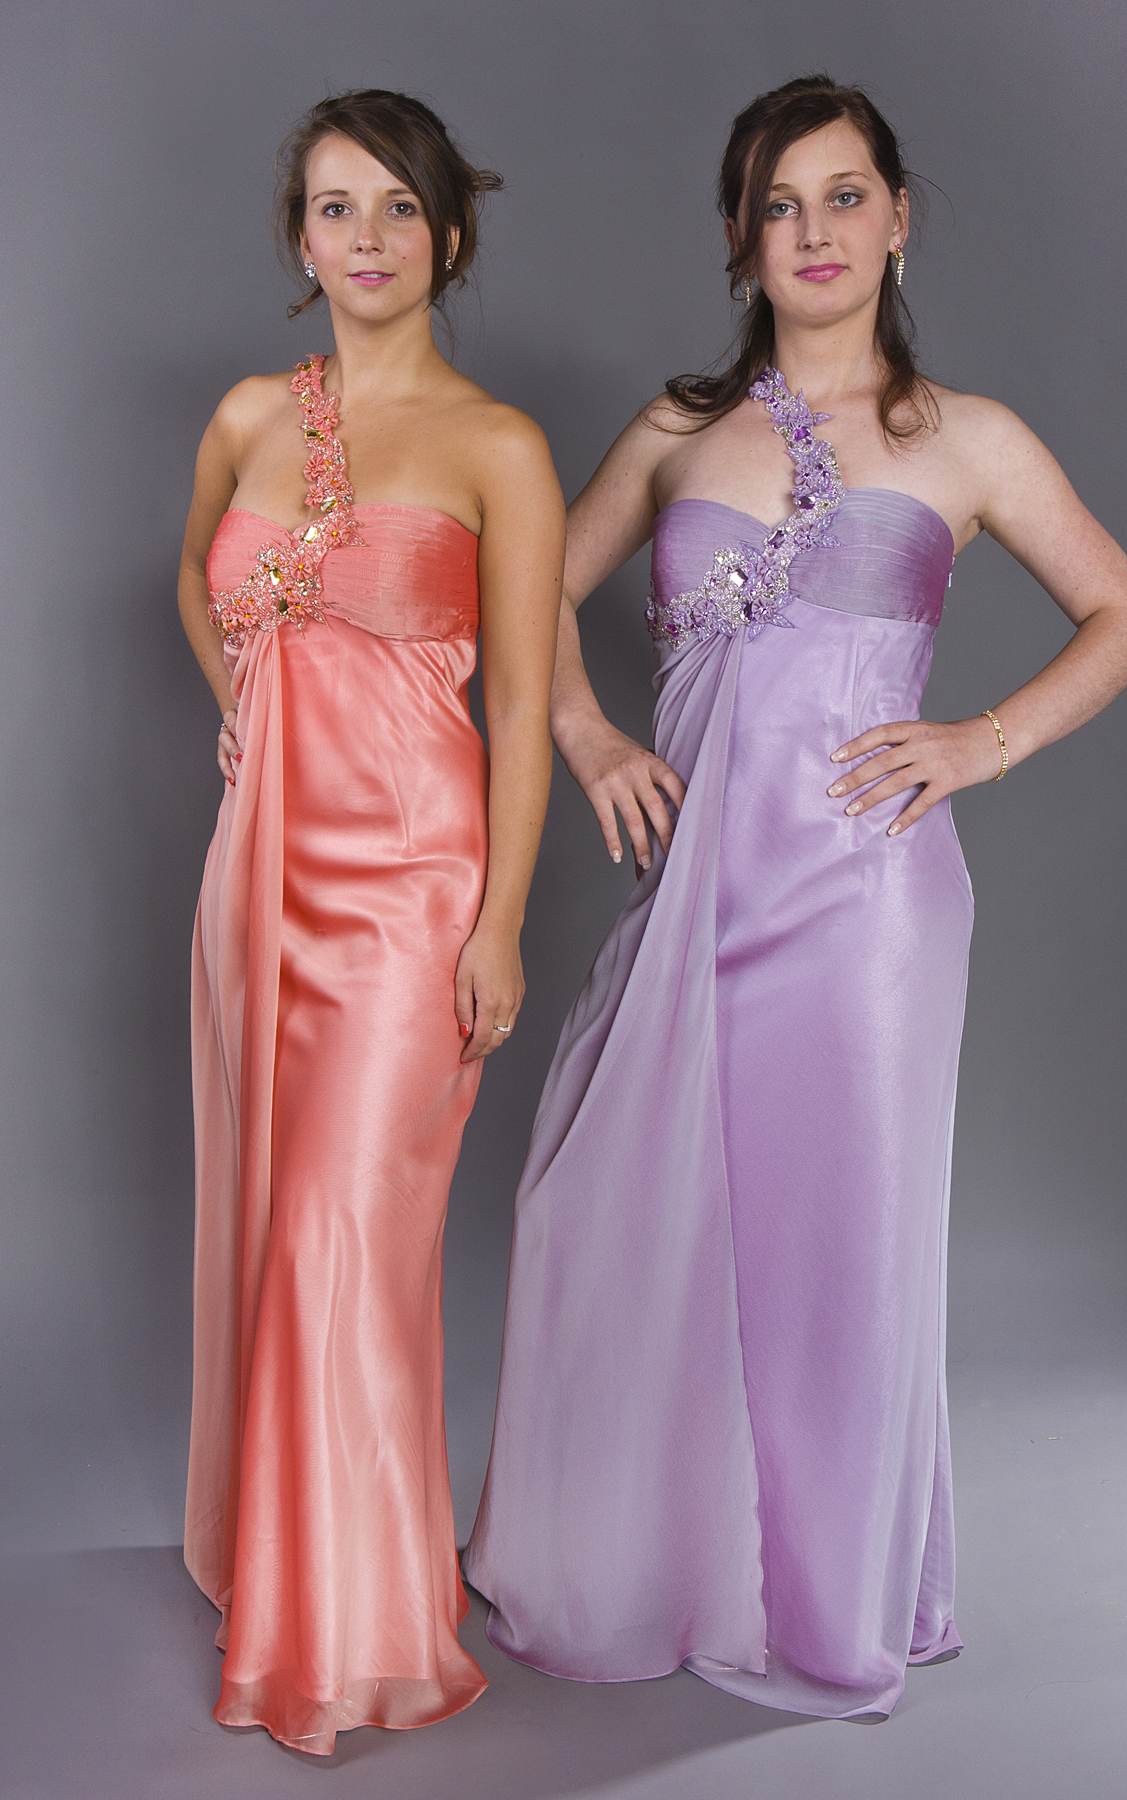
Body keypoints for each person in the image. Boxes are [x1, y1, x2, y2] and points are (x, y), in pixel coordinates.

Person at [463, 74, 1127, 1719]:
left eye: (846, 197)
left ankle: (826, 1596)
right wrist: (585, 732)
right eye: (780, 205)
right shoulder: (672, 431)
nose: (816, 231)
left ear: (899, 219)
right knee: (603, 1218)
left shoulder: (968, 438)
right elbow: (524, 594)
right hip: (693, 900)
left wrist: (981, 742)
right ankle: (660, 1562)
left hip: (867, 907)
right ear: (739, 236)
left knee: (830, 1250)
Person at [177, 89, 563, 1754]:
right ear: (301, 238)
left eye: (400, 206)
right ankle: (288, 1570)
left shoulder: (498, 447)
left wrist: (500, 924)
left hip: (413, 897)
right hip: (256, 884)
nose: (369, 237)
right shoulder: (250, 414)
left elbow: (525, 703)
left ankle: (354, 1629)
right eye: (337, 208)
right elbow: (197, 580)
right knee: (276, 1224)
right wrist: (244, 709)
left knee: (350, 1235)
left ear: (449, 234)